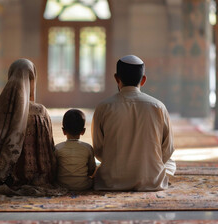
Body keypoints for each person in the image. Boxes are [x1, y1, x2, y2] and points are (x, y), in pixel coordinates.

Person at [0, 58, 60, 196]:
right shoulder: (40, 111)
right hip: (39, 176)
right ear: (32, 80)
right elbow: (49, 147)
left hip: (6, 177)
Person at [91, 54, 176, 191]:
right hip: (151, 180)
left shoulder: (103, 107)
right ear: (143, 80)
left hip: (111, 181)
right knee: (170, 163)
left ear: (116, 78)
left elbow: (99, 150)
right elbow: (168, 149)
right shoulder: (158, 106)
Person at [55, 109, 96, 191]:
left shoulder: (57, 148)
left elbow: (54, 169)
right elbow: (91, 170)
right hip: (84, 186)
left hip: (62, 186)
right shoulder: (88, 148)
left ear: (63, 131)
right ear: (83, 131)